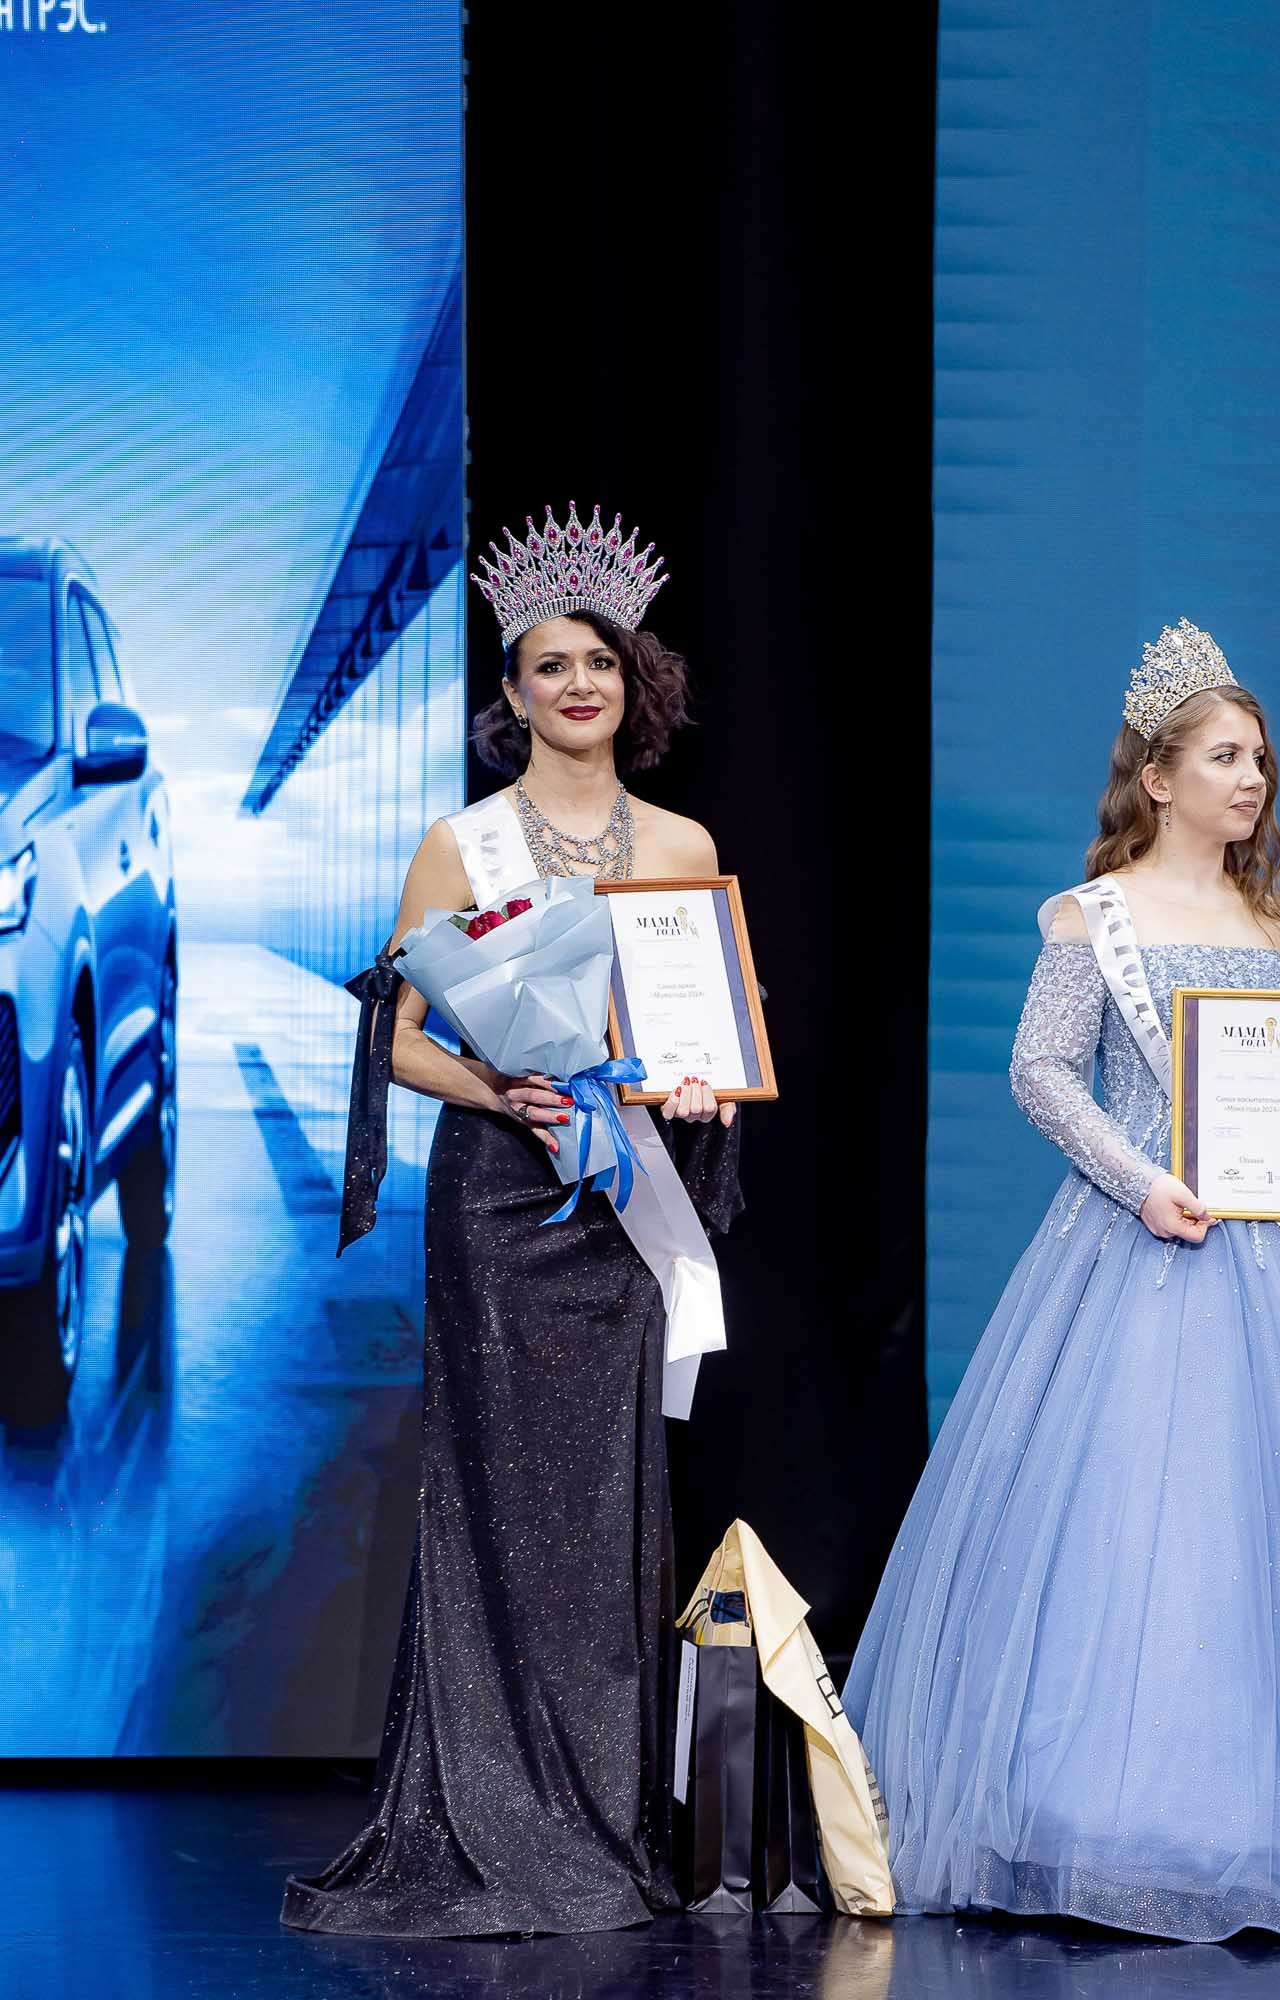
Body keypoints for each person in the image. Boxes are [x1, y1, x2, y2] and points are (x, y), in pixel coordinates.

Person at [280, 502, 742, 1939]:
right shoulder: (462, 846)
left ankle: (601, 1820)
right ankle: (486, 1813)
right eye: (552, 664)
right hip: (498, 1204)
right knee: (494, 1502)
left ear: (633, 678)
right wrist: (502, 1092)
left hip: (622, 1204)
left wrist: (699, 1085)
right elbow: (396, 1035)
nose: (578, 684)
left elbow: (709, 1030)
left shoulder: (681, 841)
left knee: (608, 1509)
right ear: (513, 691)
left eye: (599, 660)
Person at [845, 618, 1280, 1945]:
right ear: (1157, 778)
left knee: (1257, 1539)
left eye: (1259, 760)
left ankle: (1261, 1817)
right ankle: (1098, 1819)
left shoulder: (1279, 923)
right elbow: (1040, 1069)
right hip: (1138, 1250)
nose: (1251, 779)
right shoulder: (1093, 917)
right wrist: (1140, 1180)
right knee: (1130, 1531)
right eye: (1224, 757)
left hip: (1269, 1261)